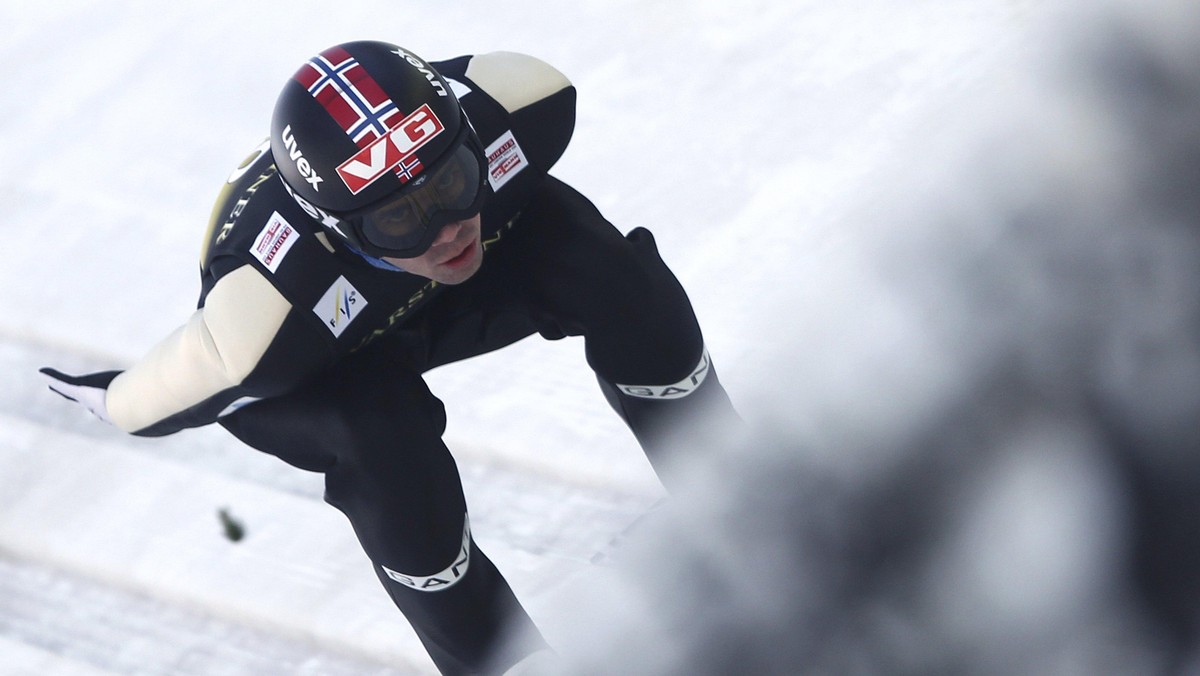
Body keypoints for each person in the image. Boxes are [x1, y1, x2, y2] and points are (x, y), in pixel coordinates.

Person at [39, 40, 740, 675]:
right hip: (326, 353)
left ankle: (737, 491)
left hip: (385, 301)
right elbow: (164, 389)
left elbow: (456, 192)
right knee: (379, 436)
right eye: (399, 218)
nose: (446, 231)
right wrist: (114, 400)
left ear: (474, 144)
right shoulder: (263, 319)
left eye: (454, 184)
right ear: (339, 232)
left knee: (608, 272)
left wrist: (417, 225)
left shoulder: (519, 109)